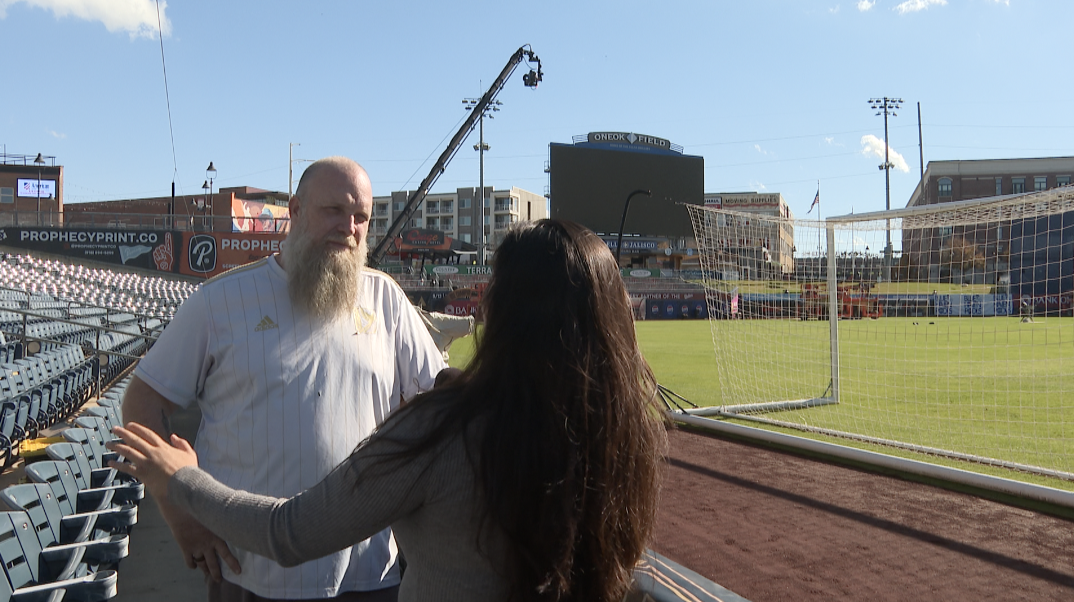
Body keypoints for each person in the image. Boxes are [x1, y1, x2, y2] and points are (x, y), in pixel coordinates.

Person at [110, 219, 667, 602]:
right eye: (332, 209)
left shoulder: (441, 429)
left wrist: (180, 481)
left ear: (504, 311)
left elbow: (289, 531)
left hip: (350, 572)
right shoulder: (622, 435)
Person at [121, 156, 446, 601]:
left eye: (361, 218)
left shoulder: (386, 299)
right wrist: (181, 515)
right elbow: (143, 401)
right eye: (332, 210)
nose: (348, 227)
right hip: (249, 574)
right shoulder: (221, 301)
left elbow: (442, 403)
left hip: (368, 572)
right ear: (293, 212)